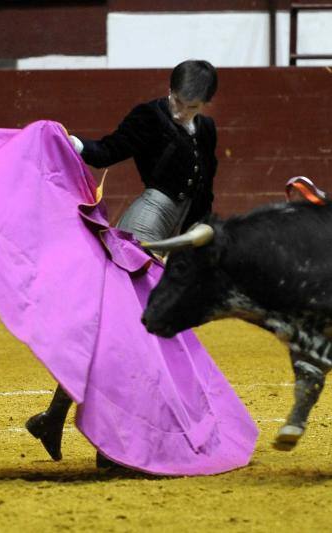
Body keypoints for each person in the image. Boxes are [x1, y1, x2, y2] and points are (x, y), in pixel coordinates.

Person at [25, 59, 219, 466]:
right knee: (123, 333)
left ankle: (56, 416)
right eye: (180, 104)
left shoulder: (206, 129)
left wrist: (203, 232)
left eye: (194, 108)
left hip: (181, 231)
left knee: (132, 335)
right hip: (146, 225)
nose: (185, 113)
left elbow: (206, 188)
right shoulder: (149, 116)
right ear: (170, 92)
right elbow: (109, 150)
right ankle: (107, 444)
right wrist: (76, 145)